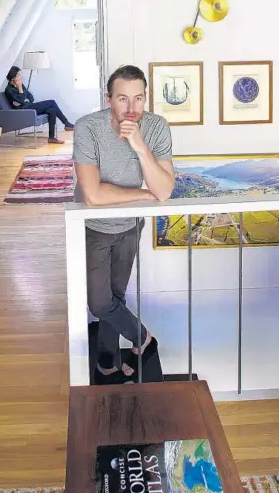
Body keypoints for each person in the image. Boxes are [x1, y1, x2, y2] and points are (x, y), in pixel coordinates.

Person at [73, 64, 175, 384]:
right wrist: (142, 194)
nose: (131, 109)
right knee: (100, 302)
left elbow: (164, 190)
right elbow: (92, 194)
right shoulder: (87, 128)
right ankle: (143, 339)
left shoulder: (156, 128)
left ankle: (107, 363)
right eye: (122, 99)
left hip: (130, 227)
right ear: (108, 99)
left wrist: (141, 147)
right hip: (94, 228)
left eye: (138, 99)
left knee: (115, 296)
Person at [4, 66, 74, 144]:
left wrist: (24, 100)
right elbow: (21, 100)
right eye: (18, 75)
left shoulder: (21, 84)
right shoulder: (9, 90)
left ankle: (51, 138)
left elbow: (31, 97)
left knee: (52, 110)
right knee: (52, 102)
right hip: (23, 112)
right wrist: (20, 89)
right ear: (13, 78)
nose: (20, 76)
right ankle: (66, 123)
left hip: (28, 107)